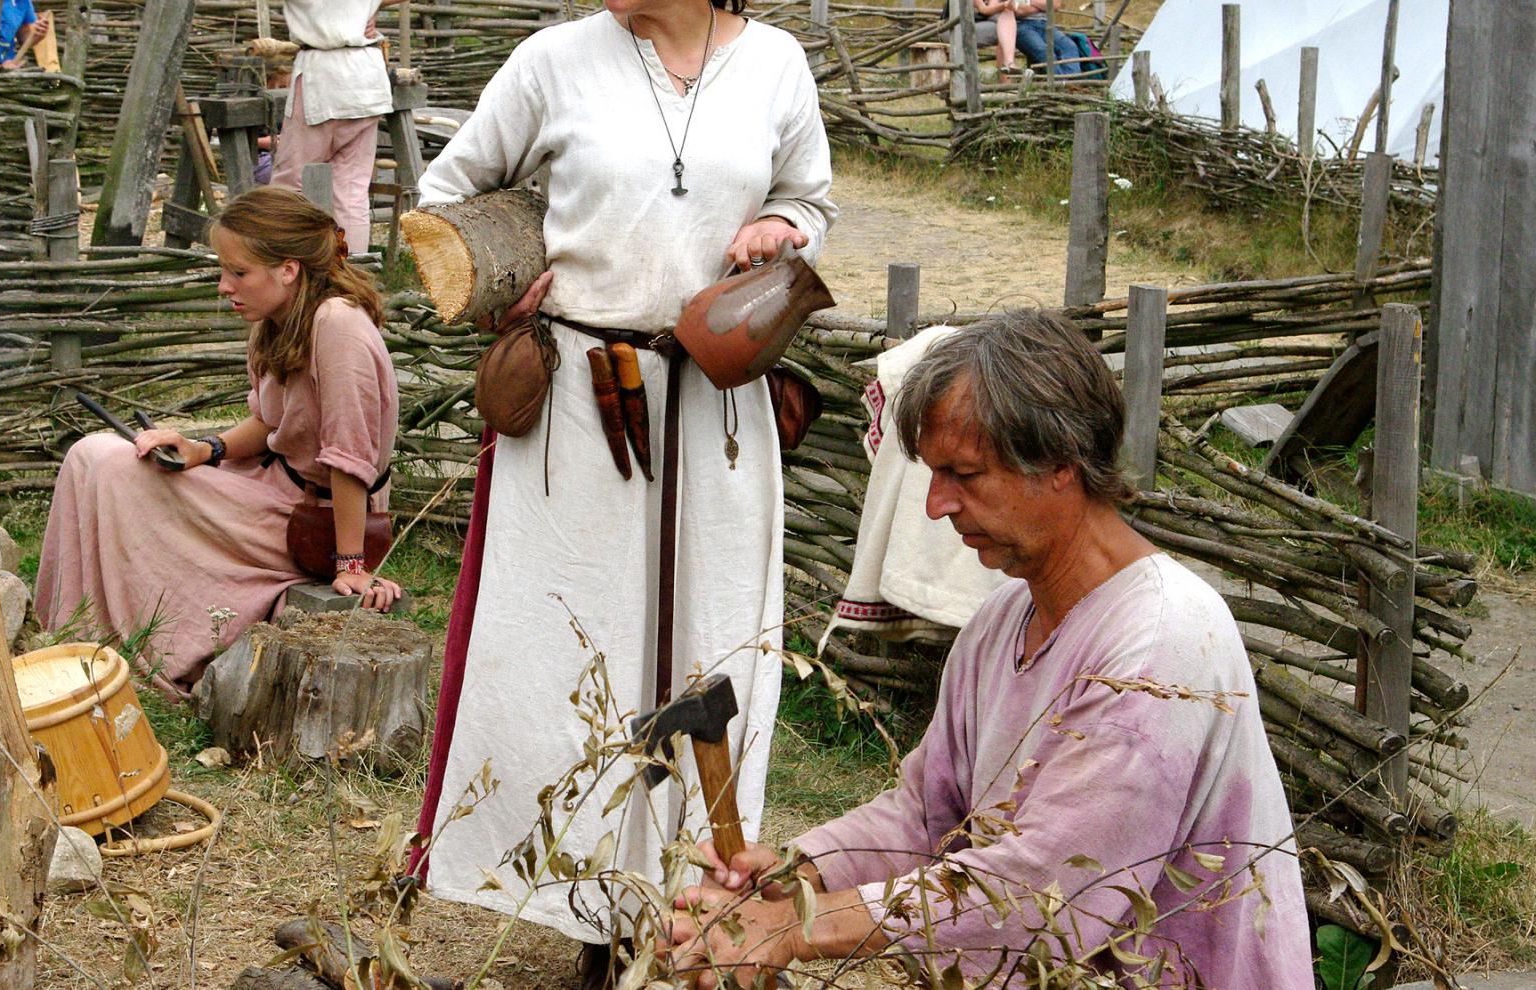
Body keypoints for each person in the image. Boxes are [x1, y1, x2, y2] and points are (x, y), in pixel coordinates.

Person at [663, 311, 1309, 988]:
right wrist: (798, 876)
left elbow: (1043, 895)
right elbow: (929, 812)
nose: (936, 505)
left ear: (1061, 461)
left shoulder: (1160, 643)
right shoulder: (1004, 618)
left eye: (964, 474)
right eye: (933, 475)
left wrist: (800, 927)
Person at [408, 0, 836, 981]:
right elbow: (446, 197)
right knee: (566, 652)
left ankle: (686, 892)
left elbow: (810, 203)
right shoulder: (553, 60)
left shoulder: (773, 65)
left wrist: (780, 225)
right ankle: (582, 900)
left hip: (717, 408)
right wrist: (500, 275)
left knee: (709, 645)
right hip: (578, 403)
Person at [35, 187, 402, 701]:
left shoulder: (338, 328)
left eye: (239, 272)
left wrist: (350, 565)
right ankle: (76, 636)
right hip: (275, 489)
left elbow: (349, 461)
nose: (224, 285)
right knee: (91, 455)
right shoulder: (279, 321)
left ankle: (132, 647)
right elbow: (267, 423)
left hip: (315, 516)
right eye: (223, 270)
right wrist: (202, 449)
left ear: (288, 270)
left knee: (116, 474)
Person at [268, 0, 408, 255]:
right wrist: (366, 8)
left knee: (289, 185)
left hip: (324, 75)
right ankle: (352, 277)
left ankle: (280, 270)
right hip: (364, 74)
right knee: (351, 192)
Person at [1007, 0, 1098, 80]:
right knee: (1043, 50)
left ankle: (1071, 82)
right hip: (1020, 25)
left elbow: (1055, 5)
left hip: (1045, 24)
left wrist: (1029, 1)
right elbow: (1018, 10)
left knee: (1069, 46)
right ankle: (1062, 84)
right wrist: (1044, 6)